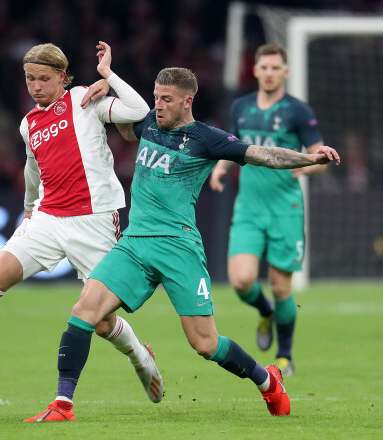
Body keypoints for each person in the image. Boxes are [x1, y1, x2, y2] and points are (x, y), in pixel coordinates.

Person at [25, 67, 340, 422]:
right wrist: (107, 86)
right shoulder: (149, 123)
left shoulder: (208, 138)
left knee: (205, 344)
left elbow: (263, 155)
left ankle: (267, 381)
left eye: (167, 100)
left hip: (179, 249)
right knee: (84, 312)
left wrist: (310, 158)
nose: (157, 105)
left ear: (187, 101)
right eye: (156, 97)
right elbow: (127, 126)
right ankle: (63, 405)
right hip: (135, 245)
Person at [0, 41, 165, 405]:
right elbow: (33, 170)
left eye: (43, 79)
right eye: (29, 78)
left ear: (62, 77)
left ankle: (140, 356)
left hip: (93, 221)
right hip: (47, 217)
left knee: (101, 321)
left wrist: (107, 78)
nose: (35, 86)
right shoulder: (28, 123)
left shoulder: (85, 99)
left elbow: (139, 109)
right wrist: (29, 206)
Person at [209, 44, 328, 376]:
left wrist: (306, 168)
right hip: (248, 207)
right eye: (265, 67)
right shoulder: (241, 107)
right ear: (256, 70)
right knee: (242, 280)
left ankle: (285, 356)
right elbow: (231, 146)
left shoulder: (298, 111)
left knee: (280, 287)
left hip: (285, 208)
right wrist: (220, 168)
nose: (270, 72)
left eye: (277, 68)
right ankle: (265, 313)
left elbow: (319, 157)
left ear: (286, 72)